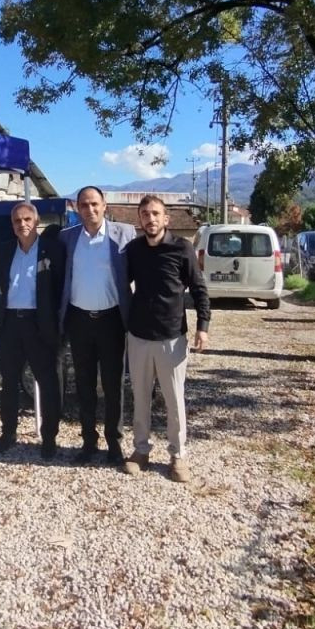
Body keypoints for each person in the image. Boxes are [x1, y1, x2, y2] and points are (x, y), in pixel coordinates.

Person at [122, 195, 210, 483]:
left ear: (166, 219)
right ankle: (141, 451)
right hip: (139, 337)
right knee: (141, 397)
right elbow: (123, 285)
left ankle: (178, 456)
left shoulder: (182, 249)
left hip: (172, 337)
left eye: (156, 213)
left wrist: (203, 326)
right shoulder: (133, 250)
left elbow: (198, 289)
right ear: (140, 220)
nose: (151, 219)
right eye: (145, 214)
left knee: (174, 401)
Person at [58, 186, 135, 464]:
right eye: (83, 205)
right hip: (79, 320)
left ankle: (115, 444)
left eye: (94, 204)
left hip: (112, 320)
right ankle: (88, 442)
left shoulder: (124, 235)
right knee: (84, 384)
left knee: (114, 385)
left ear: (104, 205)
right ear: (76, 208)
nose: (89, 210)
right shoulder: (67, 238)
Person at [0, 202, 65, 459]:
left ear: (36, 221)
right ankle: (8, 432)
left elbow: (59, 286)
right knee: (9, 381)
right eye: (17, 221)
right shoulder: (5, 250)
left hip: (39, 322)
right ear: (12, 225)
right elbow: (2, 282)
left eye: (26, 219)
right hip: (11, 322)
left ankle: (49, 438)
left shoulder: (52, 249)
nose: (22, 224)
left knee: (47, 382)